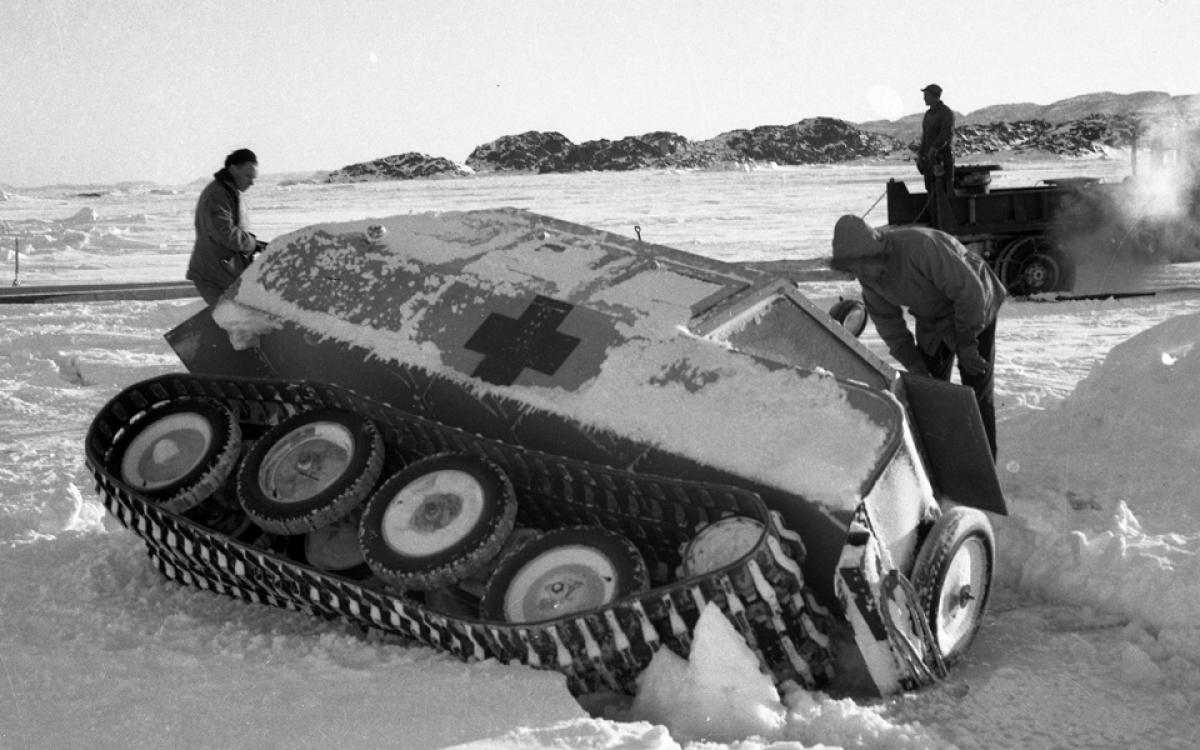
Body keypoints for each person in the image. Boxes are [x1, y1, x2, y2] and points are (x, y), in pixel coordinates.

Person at [831, 214, 1006, 458]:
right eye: (852, 269)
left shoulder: (921, 247)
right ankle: (942, 460)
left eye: (861, 266)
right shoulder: (870, 280)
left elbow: (969, 291)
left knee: (976, 385)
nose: (860, 274)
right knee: (928, 389)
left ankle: (984, 463)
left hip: (975, 305)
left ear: (875, 253)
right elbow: (891, 328)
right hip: (932, 316)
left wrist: (967, 344)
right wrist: (915, 365)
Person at [187, 148, 265, 305]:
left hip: (224, 271)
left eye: (253, 177)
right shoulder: (218, 195)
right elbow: (224, 232)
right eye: (248, 176)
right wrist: (251, 243)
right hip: (214, 275)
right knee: (234, 317)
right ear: (233, 169)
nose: (252, 182)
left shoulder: (230, 192)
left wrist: (254, 244)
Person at [917, 83, 955, 195]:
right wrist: (920, 155)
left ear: (935, 96)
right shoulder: (928, 114)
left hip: (942, 160)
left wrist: (934, 149)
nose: (924, 98)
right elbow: (925, 137)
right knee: (931, 190)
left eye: (926, 95)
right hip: (929, 162)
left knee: (943, 192)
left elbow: (946, 135)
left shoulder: (946, 113)